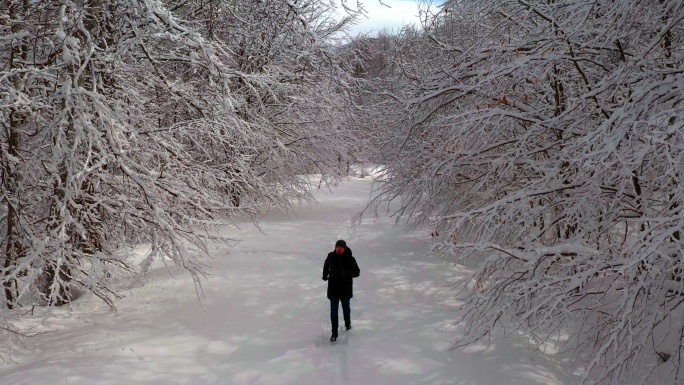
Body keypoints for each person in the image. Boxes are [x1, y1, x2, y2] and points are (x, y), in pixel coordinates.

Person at [322, 239, 360, 342]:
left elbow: (357, 272)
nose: (339, 249)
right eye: (337, 247)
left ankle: (347, 324)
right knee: (333, 312)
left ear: (345, 248)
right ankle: (334, 333)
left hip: (345, 289)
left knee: (345, 308)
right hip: (333, 289)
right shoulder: (331, 256)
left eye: (341, 247)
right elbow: (326, 265)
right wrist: (325, 274)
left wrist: (347, 273)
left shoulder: (350, 259)